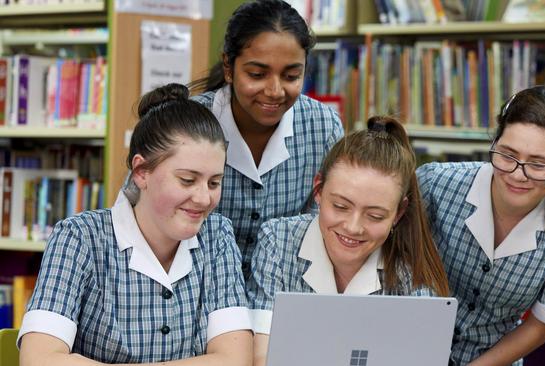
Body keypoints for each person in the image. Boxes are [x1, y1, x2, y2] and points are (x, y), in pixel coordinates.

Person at [18, 84, 253, 366]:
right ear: (142, 172)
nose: (204, 198)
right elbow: (39, 358)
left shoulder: (218, 236)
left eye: (214, 182)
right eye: (187, 180)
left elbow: (235, 359)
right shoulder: (80, 238)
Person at [416, 85, 545, 366]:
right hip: (412, 349)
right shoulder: (435, 184)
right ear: (494, 142)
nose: (518, 175)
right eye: (507, 155)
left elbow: (539, 328)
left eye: (539, 165)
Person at [247, 116, 450, 366]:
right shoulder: (278, 241)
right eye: (341, 206)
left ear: (398, 213)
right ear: (319, 190)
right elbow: (262, 356)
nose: (353, 227)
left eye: (375, 216)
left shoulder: (411, 270)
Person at [190, 0, 344, 277]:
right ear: (229, 66)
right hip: (197, 289)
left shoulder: (323, 127)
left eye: (291, 76)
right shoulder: (186, 123)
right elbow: (140, 217)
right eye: (257, 74)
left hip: (285, 288)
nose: (275, 91)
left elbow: (328, 225)